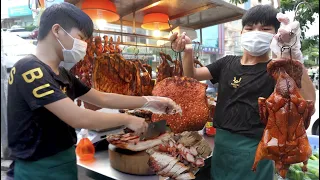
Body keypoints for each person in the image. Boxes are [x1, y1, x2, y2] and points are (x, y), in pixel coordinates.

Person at [7, 3, 180, 180]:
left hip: (64, 161)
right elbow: (78, 117)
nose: (83, 46)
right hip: (36, 169)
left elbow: (103, 98)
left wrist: (150, 101)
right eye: (80, 37)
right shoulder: (29, 69)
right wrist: (127, 119)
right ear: (57, 30)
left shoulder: (62, 73)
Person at [170, 5, 316, 180]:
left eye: (265, 29)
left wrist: (293, 54)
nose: (256, 32)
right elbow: (191, 76)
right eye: (250, 28)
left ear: (276, 35)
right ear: (241, 33)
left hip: (255, 148)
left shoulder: (277, 69)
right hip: (221, 145)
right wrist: (188, 50)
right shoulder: (226, 63)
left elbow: (308, 101)